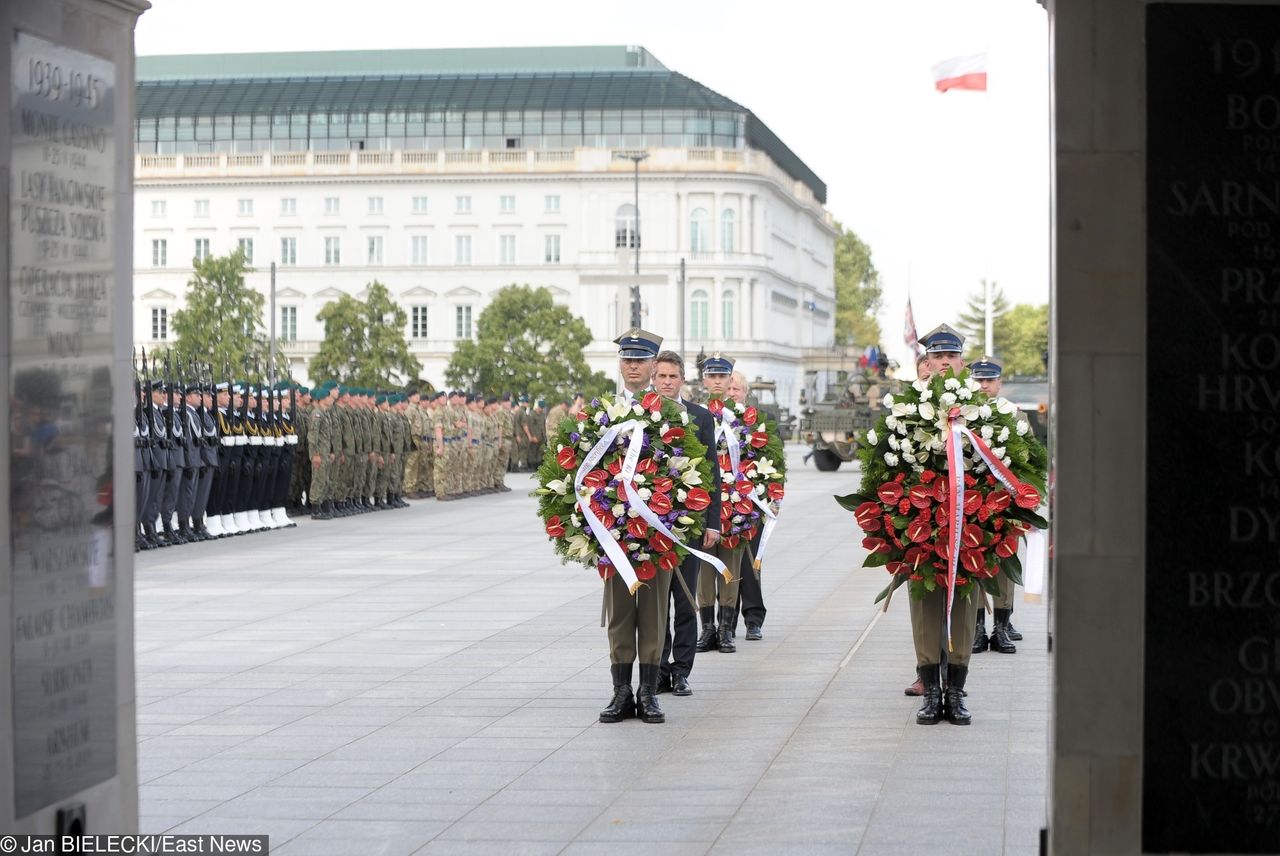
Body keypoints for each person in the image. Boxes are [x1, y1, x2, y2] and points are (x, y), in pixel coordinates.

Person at [600, 328, 670, 724]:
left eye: (640, 360)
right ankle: (621, 692)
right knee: (620, 613)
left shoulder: (671, 413)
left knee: (653, 613)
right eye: (627, 359)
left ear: (652, 365)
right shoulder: (603, 412)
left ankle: (648, 693)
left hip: (658, 530)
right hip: (613, 532)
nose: (633, 366)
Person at [909, 323, 977, 725]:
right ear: (927, 362)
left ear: (961, 362)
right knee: (924, 607)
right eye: (938, 356)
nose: (945, 362)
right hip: (920, 522)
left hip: (969, 522)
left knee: (964, 607)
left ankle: (956, 691)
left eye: (952, 356)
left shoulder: (982, 409)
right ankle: (930, 692)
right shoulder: (907, 403)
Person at [653, 350, 722, 697]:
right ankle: (658, 668)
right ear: (653, 379)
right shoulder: (643, 416)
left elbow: (712, 471)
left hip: (690, 521)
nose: (667, 382)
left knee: (684, 597)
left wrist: (714, 522)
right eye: (661, 376)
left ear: (682, 380)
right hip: (651, 523)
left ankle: (681, 670)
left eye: (672, 377)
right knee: (656, 601)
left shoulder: (699, 417)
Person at [968, 355, 1022, 654]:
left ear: (1000, 383)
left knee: (1003, 561)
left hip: (1005, 502)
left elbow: (1028, 460)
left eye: (989, 380)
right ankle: (977, 628)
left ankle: (1000, 627)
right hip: (973, 501)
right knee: (974, 562)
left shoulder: (1014, 415)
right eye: (979, 380)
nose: (984, 385)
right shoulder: (962, 415)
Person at [694, 354, 744, 654]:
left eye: (721, 376)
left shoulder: (744, 418)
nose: (716, 381)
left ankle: (726, 629)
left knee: (730, 566)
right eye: (711, 376)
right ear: (704, 380)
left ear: (730, 381)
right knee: (704, 568)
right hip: (706, 501)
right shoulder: (696, 415)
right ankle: (708, 628)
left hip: (737, 504)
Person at [728, 370, 768, 642]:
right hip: (722, 507)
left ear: (745, 394)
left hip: (751, 505)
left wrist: (770, 497)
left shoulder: (756, 423)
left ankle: (753, 619)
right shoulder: (713, 418)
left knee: (750, 565)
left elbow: (771, 463)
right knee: (725, 566)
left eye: (737, 389)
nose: (732, 394)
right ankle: (725, 623)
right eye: (728, 389)